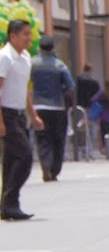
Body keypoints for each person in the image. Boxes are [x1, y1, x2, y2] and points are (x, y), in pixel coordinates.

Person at [0, 19, 45, 221]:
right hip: (6, 113)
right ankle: (11, 201)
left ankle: (7, 205)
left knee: (11, 162)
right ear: (13, 36)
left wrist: (32, 114)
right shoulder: (4, 57)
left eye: (29, 33)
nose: (29, 38)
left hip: (18, 115)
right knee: (25, 156)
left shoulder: (25, 57)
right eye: (25, 34)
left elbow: (24, 90)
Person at [30, 35, 74, 181]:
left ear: (39, 47)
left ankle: (46, 165)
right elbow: (70, 86)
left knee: (42, 138)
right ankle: (55, 169)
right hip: (57, 107)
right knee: (58, 139)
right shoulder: (59, 65)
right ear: (52, 48)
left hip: (38, 106)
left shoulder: (32, 63)